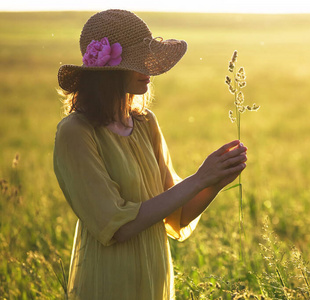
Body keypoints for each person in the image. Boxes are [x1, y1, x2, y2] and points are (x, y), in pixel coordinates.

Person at [54, 9, 247, 299]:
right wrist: (198, 179)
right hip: (109, 282)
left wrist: (214, 182)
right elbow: (115, 226)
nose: (148, 68)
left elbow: (175, 214)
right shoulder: (75, 132)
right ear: (109, 73)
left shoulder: (145, 122)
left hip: (155, 279)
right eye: (137, 61)